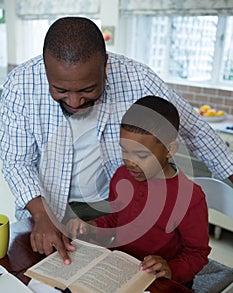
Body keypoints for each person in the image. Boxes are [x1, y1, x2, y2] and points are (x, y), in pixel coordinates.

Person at [0, 17, 231, 264]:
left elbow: (194, 130)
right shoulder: (19, 85)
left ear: (105, 64)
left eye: (88, 90)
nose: (74, 102)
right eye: (61, 91)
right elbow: (16, 161)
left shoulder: (138, 78)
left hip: (106, 204)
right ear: (45, 69)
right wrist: (41, 215)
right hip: (42, 204)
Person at [66, 96, 211, 286]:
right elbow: (115, 219)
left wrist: (170, 269)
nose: (130, 161)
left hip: (164, 283)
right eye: (124, 150)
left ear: (169, 149)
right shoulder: (121, 176)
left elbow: (197, 254)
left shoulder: (190, 197)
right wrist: (91, 227)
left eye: (142, 154)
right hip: (120, 269)